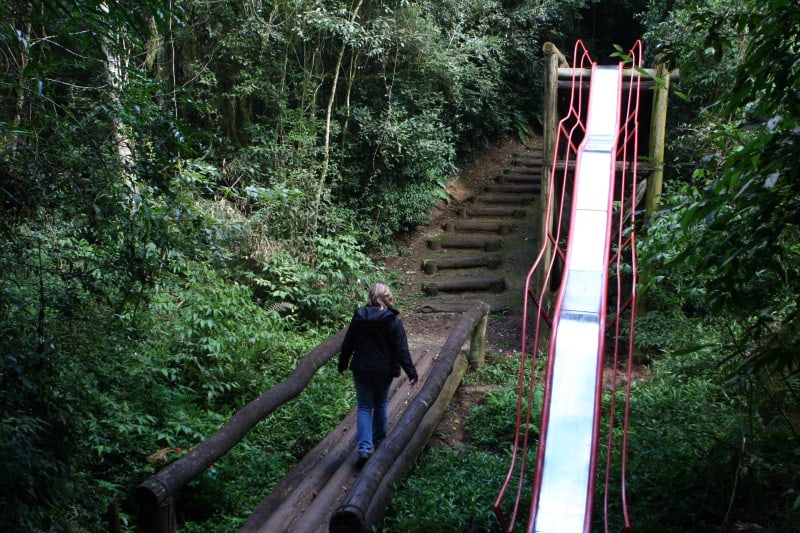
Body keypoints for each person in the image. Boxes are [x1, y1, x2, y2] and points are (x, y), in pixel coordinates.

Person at [338, 282, 418, 467]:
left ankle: (364, 448)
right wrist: (411, 372)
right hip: (384, 370)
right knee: (381, 404)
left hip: (362, 368)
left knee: (365, 407)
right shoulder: (393, 320)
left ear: (371, 297)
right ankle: (379, 442)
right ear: (388, 297)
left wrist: (342, 364)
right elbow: (401, 350)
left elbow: (348, 343)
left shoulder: (359, 317)